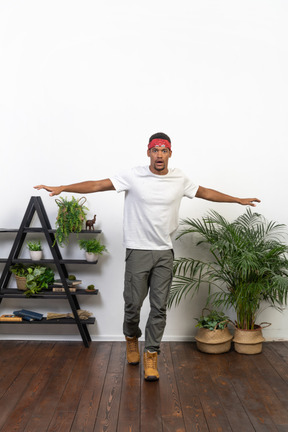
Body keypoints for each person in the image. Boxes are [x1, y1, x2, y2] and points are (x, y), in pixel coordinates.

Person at [34, 132, 260, 381]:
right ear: (148, 152)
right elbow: (98, 185)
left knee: (159, 308)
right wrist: (64, 187)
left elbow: (205, 192)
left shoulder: (179, 178)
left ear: (170, 153)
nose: (159, 155)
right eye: (155, 150)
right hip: (137, 250)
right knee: (132, 306)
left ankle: (151, 355)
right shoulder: (133, 175)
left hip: (164, 252)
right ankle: (131, 338)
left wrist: (237, 200)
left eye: (164, 150)